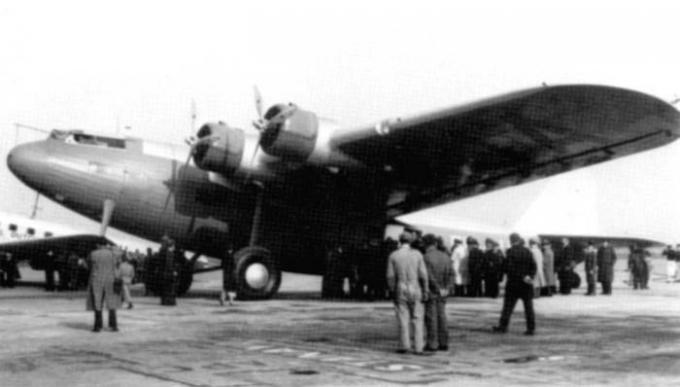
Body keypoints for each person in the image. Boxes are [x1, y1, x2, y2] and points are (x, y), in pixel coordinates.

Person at [386, 232, 430, 355]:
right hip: (415, 286)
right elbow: (423, 274)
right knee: (417, 318)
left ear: (399, 241)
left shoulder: (394, 255)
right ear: (410, 242)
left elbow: (390, 276)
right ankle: (418, 347)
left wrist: (392, 290)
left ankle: (404, 345)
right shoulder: (417, 254)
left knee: (402, 317)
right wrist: (425, 289)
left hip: (401, 286)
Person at [493, 233, 536, 335]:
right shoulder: (527, 251)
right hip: (526, 284)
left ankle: (503, 326)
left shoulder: (510, 252)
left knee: (507, 307)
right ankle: (531, 328)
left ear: (511, 241)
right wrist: (529, 276)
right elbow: (533, 266)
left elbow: (508, 268)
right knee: (528, 308)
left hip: (514, 284)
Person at [422, 234, 453, 352]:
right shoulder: (446, 256)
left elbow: (428, 276)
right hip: (444, 291)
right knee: (442, 316)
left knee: (431, 318)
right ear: (435, 243)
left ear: (425, 244)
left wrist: (437, 288)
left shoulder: (426, 257)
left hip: (432, 291)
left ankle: (432, 343)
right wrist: (447, 288)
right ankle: (444, 342)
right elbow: (452, 274)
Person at [86, 242, 122, 332]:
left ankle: (97, 326)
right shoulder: (113, 254)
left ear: (98, 245)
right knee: (111, 302)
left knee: (97, 302)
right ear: (107, 245)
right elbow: (117, 266)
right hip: (110, 279)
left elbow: (89, 267)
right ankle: (113, 325)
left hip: (97, 278)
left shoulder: (93, 253)